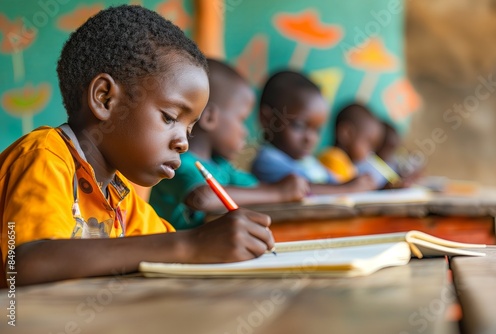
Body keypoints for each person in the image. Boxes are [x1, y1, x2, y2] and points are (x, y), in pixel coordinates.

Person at [0, 5, 274, 287]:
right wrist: (191, 244)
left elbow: (161, 247)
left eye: (189, 129)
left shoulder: (121, 198)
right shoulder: (43, 156)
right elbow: (24, 264)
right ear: (105, 98)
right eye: (169, 117)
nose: (182, 142)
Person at [149, 59, 309, 230]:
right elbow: (203, 198)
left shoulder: (221, 166)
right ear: (210, 117)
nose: (245, 132)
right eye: (241, 120)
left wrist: (288, 188)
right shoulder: (179, 163)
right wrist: (278, 193)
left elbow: (258, 189)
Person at [251, 71, 377, 194]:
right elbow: (299, 189)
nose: (311, 138)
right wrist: (347, 189)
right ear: (267, 120)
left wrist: (372, 187)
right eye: (299, 126)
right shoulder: (267, 162)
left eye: (317, 130)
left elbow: (335, 183)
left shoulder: (309, 163)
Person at [318, 103, 386, 187]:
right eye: (368, 143)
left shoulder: (346, 163)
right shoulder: (333, 158)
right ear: (346, 134)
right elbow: (340, 193)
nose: (371, 152)